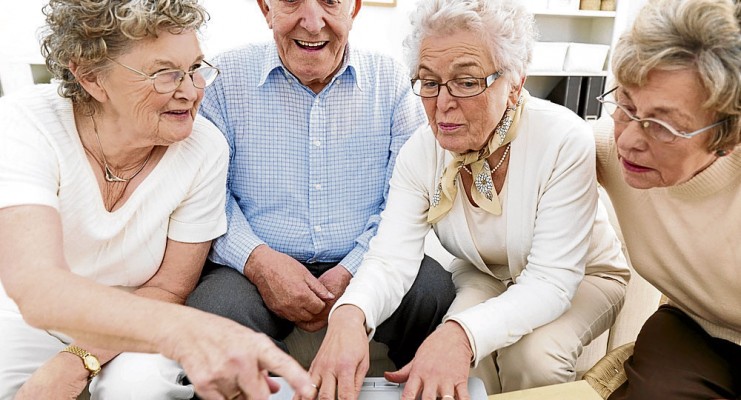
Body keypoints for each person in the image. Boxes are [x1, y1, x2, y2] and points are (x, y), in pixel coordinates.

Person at [305, 0, 631, 397]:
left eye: (467, 81)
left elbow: (551, 279)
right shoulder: (420, 152)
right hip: (485, 273)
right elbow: (390, 259)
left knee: (533, 358)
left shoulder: (562, 139)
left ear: (514, 83)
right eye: (428, 81)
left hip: (582, 275)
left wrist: (460, 334)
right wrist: (349, 317)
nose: (443, 103)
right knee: (459, 362)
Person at [0, 1, 316, 399]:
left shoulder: (204, 148)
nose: (190, 91)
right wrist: (194, 330)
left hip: (136, 324)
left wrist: (78, 360)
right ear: (90, 76)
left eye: (196, 69)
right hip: (23, 318)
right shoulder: (26, 124)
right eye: (165, 74)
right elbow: (39, 289)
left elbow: (168, 288)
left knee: (143, 386)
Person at [185, 0, 455, 370]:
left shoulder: (392, 82)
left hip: (369, 259)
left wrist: (354, 269)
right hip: (256, 264)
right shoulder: (224, 79)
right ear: (266, 9)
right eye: (292, 1)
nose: (312, 23)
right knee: (212, 310)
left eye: (330, 1)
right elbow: (206, 195)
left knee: (433, 291)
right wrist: (259, 262)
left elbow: (404, 200)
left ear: (354, 8)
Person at [591, 1, 741, 398]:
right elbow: (538, 133)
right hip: (693, 326)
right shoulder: (610, 148)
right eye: (625, 105)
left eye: (663, 126)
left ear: (728, 137)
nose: (628, 140)